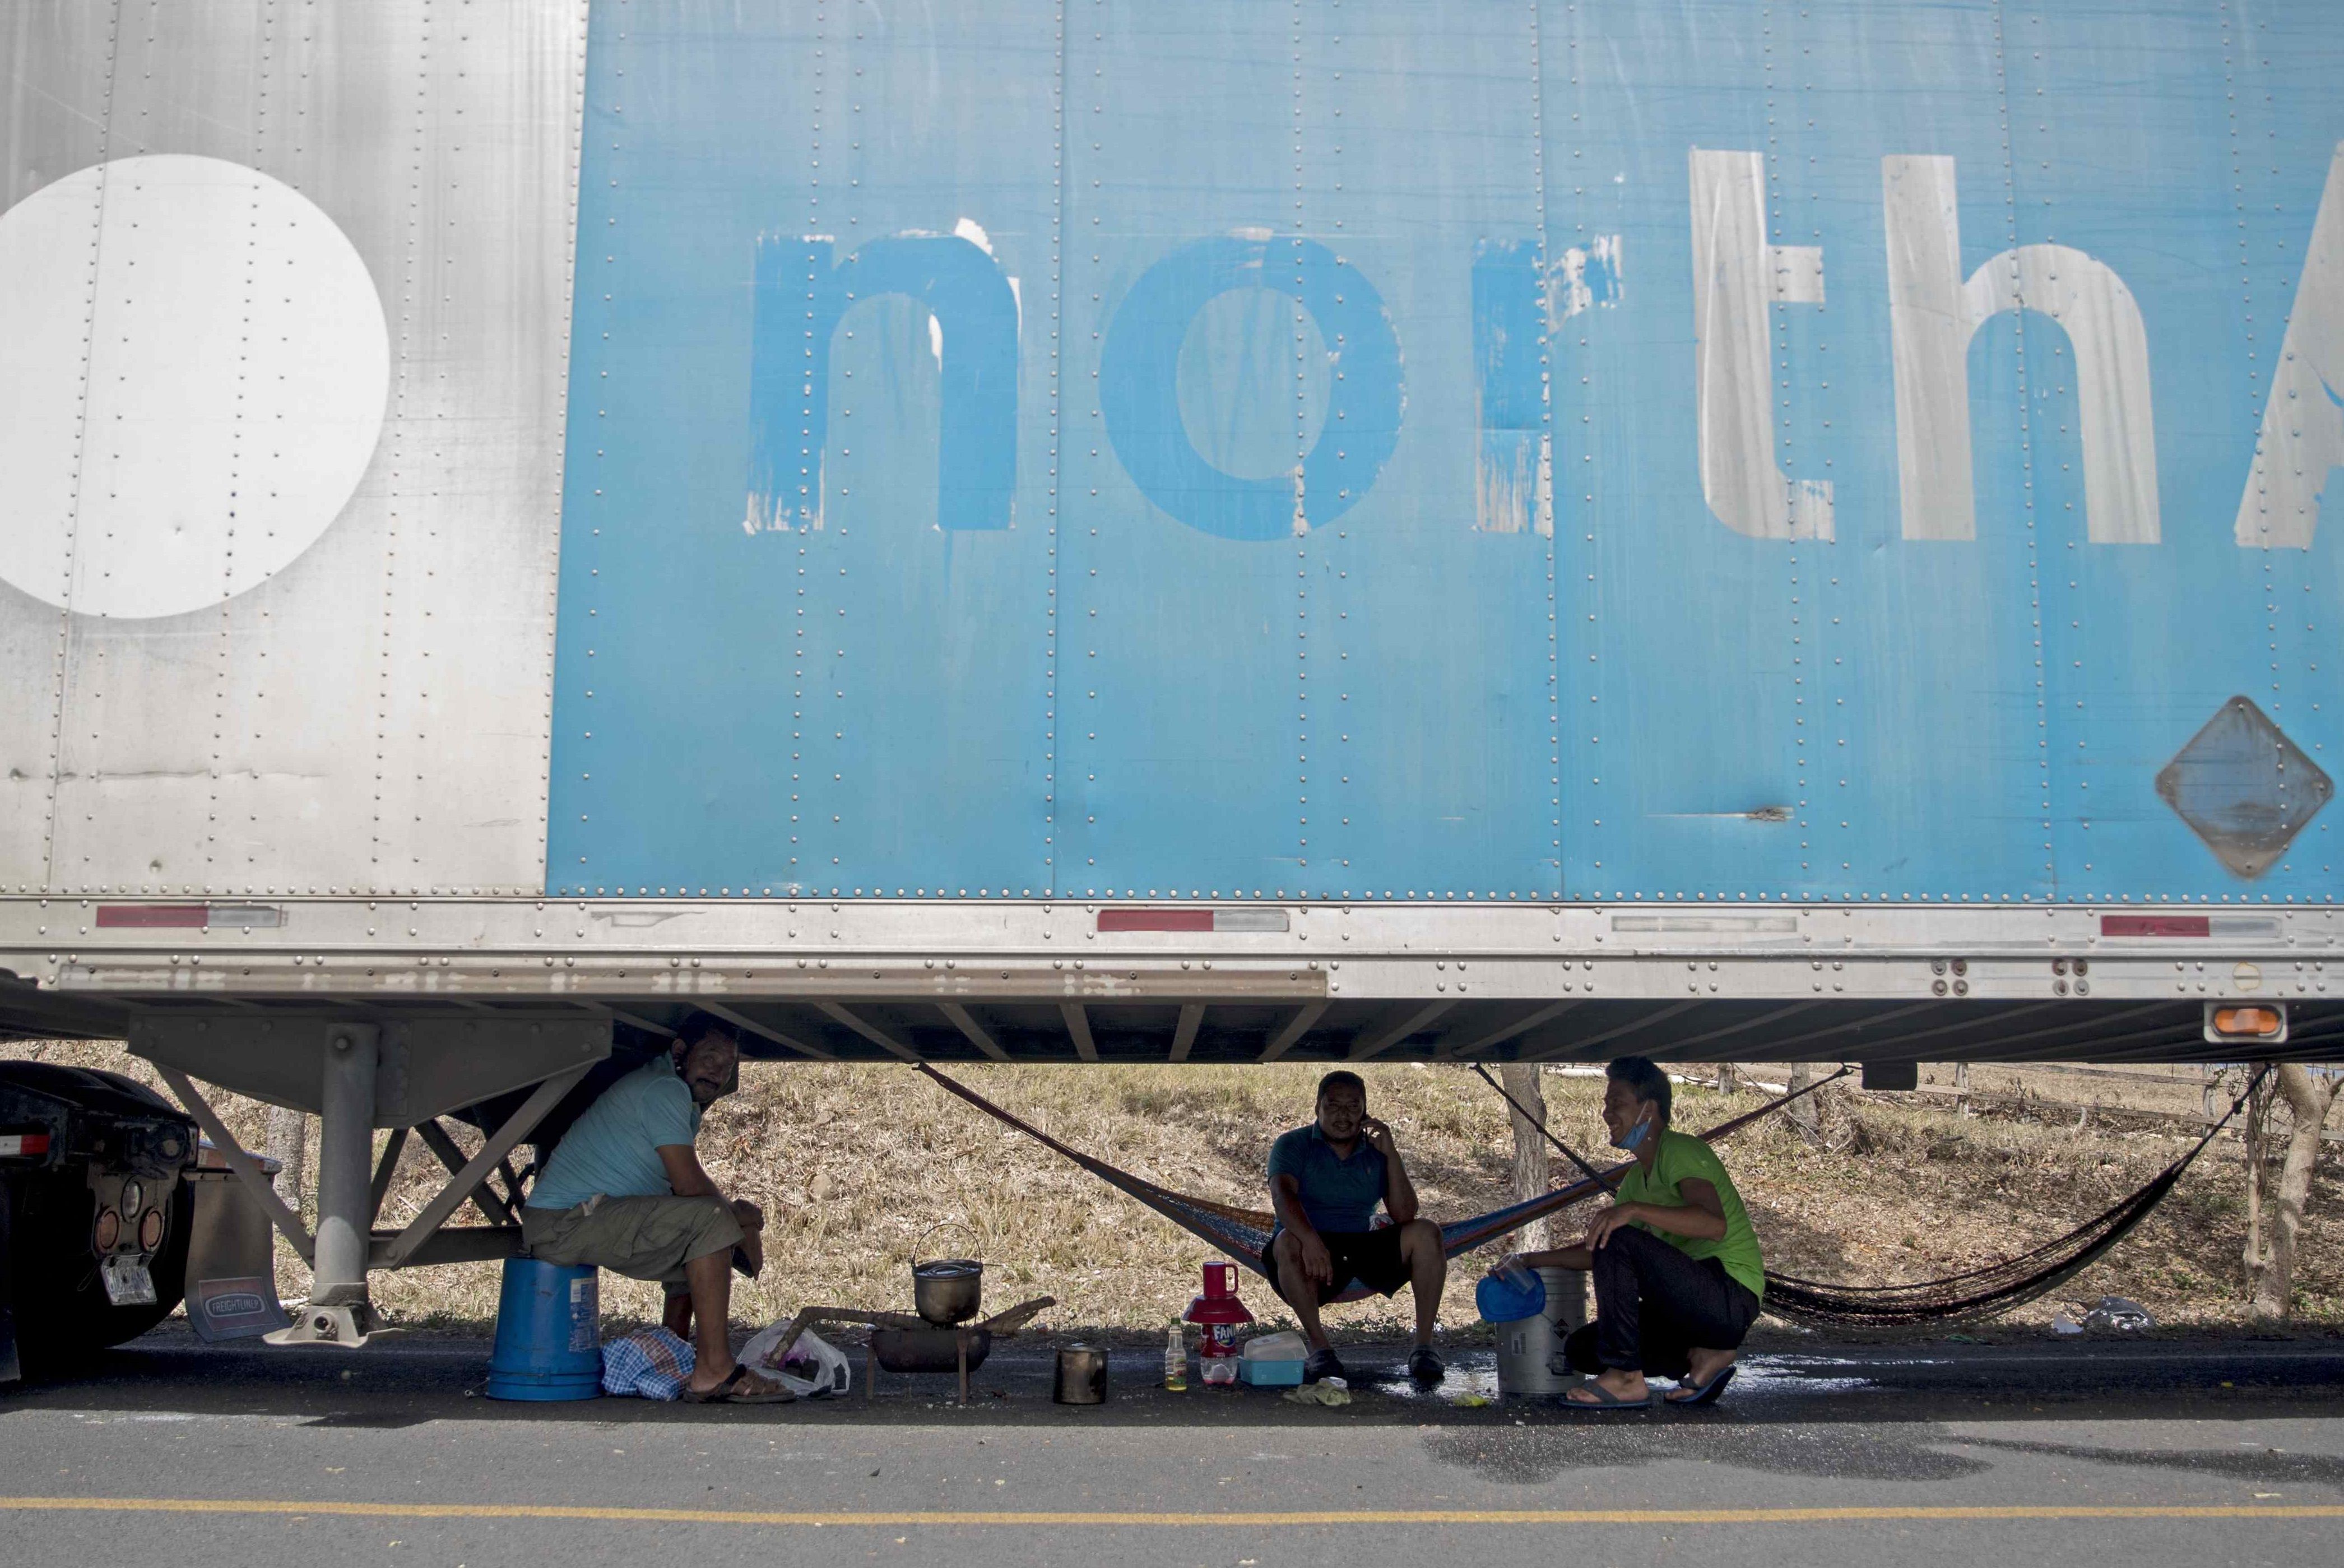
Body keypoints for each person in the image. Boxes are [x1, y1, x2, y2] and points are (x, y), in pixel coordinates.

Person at [521, 1013, 787, 1403]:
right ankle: (714, 1370)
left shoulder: (671, 1093)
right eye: (711, 1057)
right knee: (709, 1221)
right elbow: (689, 1186)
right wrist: (743, 1220)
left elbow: (684, 1197)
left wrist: (739, 1224)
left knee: (700, 1232)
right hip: (562, 1223)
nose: (718, 1072)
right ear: (680, 1052)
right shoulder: (664, 1090)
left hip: (581, 1217)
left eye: (727, 1065)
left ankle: (675, 1351)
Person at [1498, 1056, 1764, 1407]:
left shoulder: (1680, 1150)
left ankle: (1626, 1378)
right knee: (1582, 1349)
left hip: (1729, 1298)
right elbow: (1603, 1249)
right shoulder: (1638, 1179)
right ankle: (1703, 1355)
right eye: (1606, 1104)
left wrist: (1632, 1211)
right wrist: (1529, 1259)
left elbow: (1712, 1224)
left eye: (1617, 1102)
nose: (1607, 1113)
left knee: (1620, 1234)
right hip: (1690, 1315)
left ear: (1648, 1109)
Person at [1264, 1069, 1447, 1384]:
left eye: (1353, 1106)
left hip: (1362, 1245)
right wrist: (1311, 1241)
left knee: (1427, 1232)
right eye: (1334, 1105)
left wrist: (1391, 1154)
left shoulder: (1376, 1152)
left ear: (1365, 1111)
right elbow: (1283, 1198)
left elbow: (1405, 1215)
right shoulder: (1292, 1144)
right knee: (1285, 1241)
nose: (1343, 1115)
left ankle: (1424, 1348)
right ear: (1317, 1107)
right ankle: (1321, 1351)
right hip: (1307, 1246)